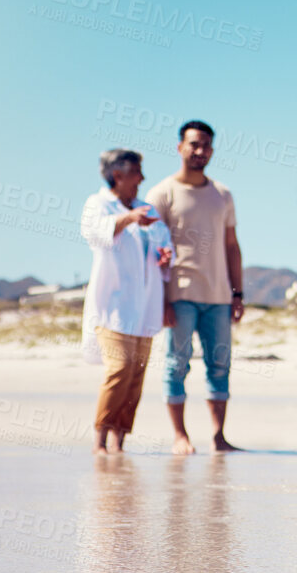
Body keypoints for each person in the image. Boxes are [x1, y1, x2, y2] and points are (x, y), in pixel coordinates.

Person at [146, 120, 244, 455]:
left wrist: (238, 293)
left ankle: (219, 437)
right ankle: (180, 436)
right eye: (193, 144)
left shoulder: (222, 194)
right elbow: (151, 252)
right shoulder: (161, 194)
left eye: (206, 145)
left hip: (218, 295)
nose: (199, 151)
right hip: (180, 293)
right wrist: (162, 300)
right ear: (179, 147)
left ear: (212, 150)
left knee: (220, 365)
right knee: (177, 364)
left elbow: (232, 245)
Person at [80, 149, 173, 454]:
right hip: (114, 307)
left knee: (135, 376)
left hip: (145, 306)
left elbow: (162, 244)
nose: (142, 179)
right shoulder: (98, 204)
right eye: (136, 172)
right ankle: (99, 440)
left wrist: (164, 257)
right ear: (117, 175)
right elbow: (94, 234)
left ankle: (119, 440)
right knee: (119, 369)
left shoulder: (147, 209)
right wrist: (130, 218)